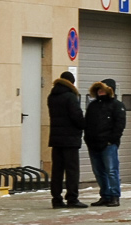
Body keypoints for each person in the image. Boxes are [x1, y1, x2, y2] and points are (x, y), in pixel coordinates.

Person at [47, 71, 86, 208]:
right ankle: (72, 198)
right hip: (70, 139)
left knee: (57, 170)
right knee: (72, 170)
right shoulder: (70, 97)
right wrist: (84, 125)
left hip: (56, 139)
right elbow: (76, 117)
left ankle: (56, 199)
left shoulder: (52, 96)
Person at [85, 79, 126, 207]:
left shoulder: (117, 105)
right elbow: (87, 123)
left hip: (108, 144)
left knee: (112, 170)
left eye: (103, 89)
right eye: (99, 90)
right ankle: (105, 195)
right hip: (93, 143)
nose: (100, 92)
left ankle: (114, 196)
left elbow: (120, 125)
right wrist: (88, 139)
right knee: (99, 172)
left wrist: (112, 140)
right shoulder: (93, 106)